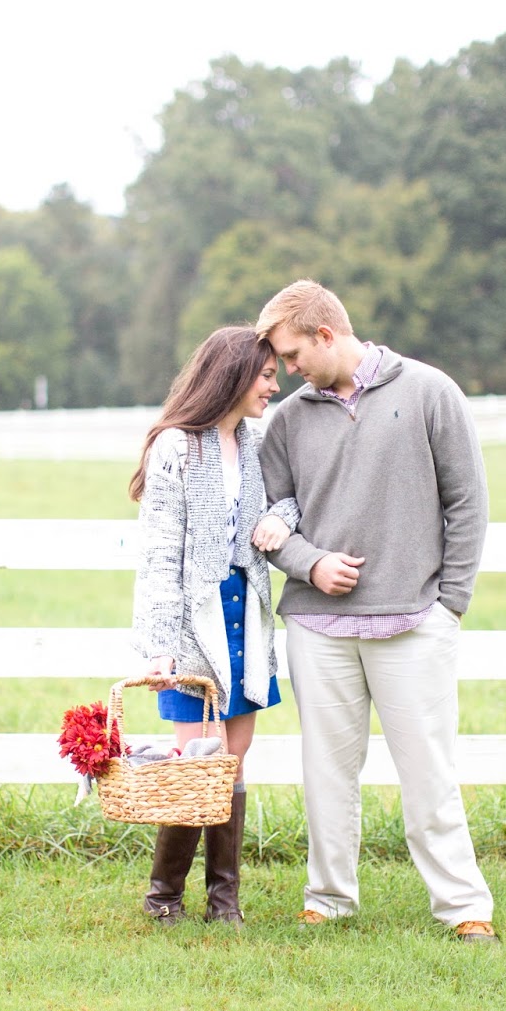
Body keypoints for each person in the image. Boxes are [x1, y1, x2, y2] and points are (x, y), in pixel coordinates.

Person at [255, 280, 499, 942]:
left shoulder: (428, 392)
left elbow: (466, 502)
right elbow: (270, 519)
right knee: (327, 773)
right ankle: (328, 898)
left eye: (292, 354)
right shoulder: (287, 422)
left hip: (414, 621)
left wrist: (449, 604)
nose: (286, 372)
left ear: (326, 335)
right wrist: (310, 563)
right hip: (317, 628)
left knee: (427, 771)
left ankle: (462, 906)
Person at [128, 326, 296, 927]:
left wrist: (281, 519)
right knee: (196, 756)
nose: (274, 386)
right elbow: (158, 555)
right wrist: (155, 647)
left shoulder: (253, 442)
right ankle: (163, 897)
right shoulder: (177, 446)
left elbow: (290, 498)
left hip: (246, 612)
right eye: (266, 375)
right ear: (232, 375)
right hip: (190, 622)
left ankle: (224, 900)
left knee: (234, 758)